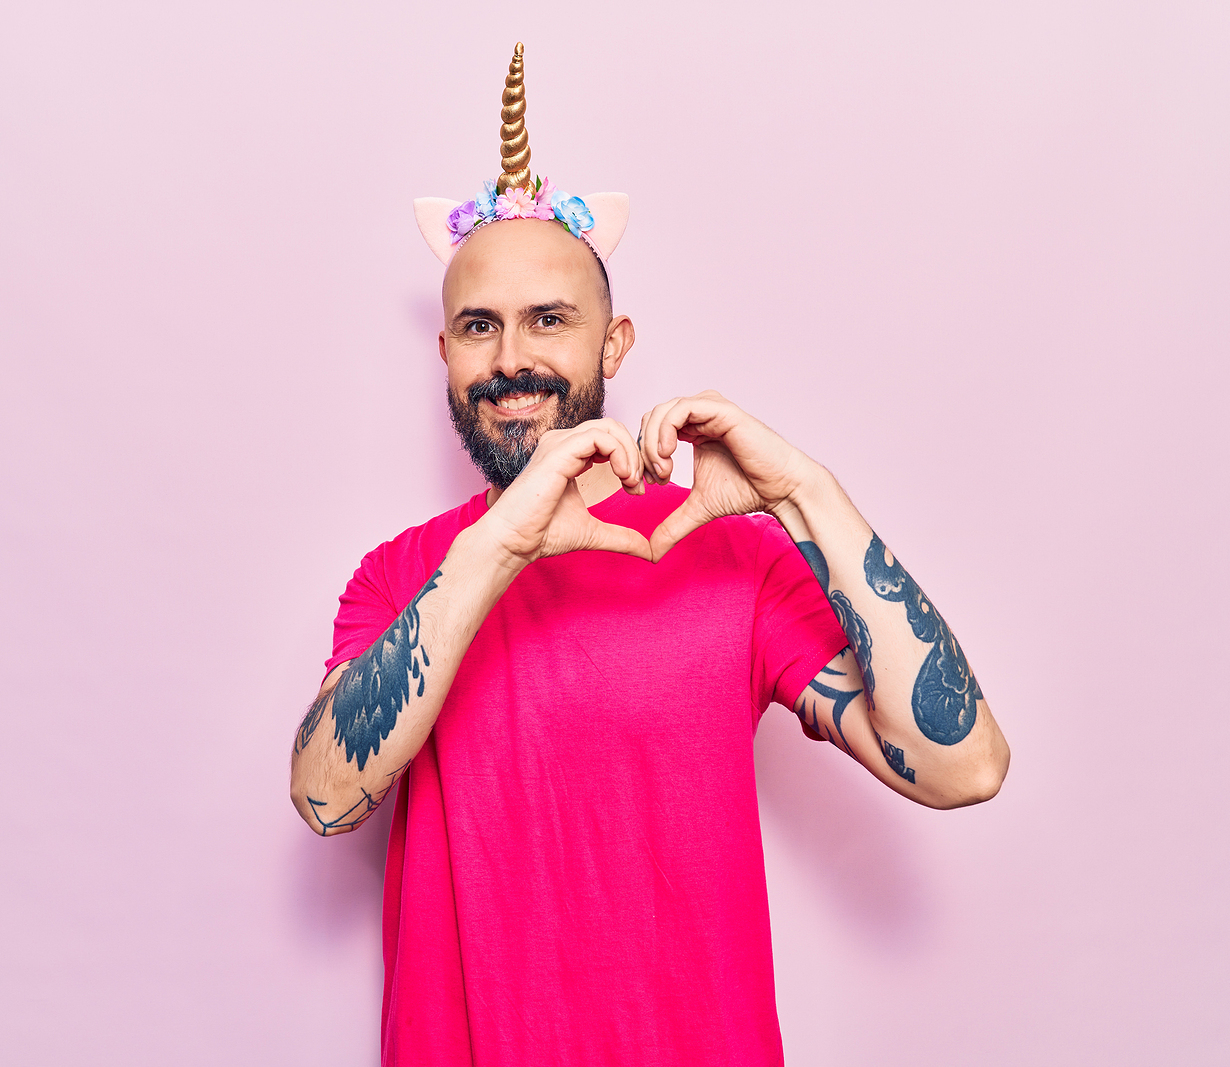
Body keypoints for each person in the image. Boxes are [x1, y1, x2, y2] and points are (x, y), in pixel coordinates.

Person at [290, 43, 1010, 1067]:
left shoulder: (729, 559)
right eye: (478, 327)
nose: (511, 360)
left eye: (550, 319)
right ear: (444, 352)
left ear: (612, 345)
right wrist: (500, 544)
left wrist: (808, 493)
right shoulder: (403, 575)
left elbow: (964, 764)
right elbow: (324, 795)